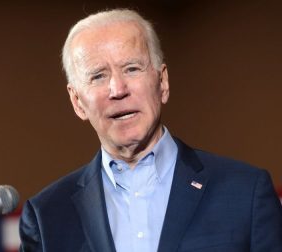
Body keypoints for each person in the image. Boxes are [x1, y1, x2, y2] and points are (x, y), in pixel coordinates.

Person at [19, 9, 282, 252]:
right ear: (77, 102)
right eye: (98, 76)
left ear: (162, 82)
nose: (118, 89)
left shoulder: (246, 192)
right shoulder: (46, 216)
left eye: (132, 69)